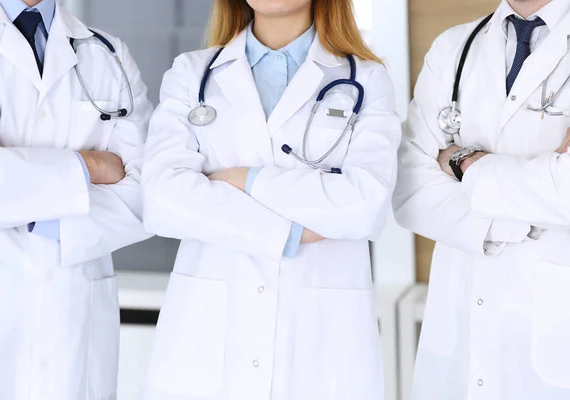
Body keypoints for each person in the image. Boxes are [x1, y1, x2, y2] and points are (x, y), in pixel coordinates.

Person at [140, 0, 401, 398]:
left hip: (322, 334)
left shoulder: (366, 79)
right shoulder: (191, 74)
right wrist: (291, 233)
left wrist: (245, 180)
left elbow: (365, 204)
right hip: (210, 334)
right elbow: (162, 198)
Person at [0, 0, 153, 398]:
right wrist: (89, 165)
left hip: (73, 320)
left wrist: (33, 213)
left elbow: (147, 195)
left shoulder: (108, 53)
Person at [393, 0, 570, 399]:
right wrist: (524, 217)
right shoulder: (454, 47)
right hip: (457, 349)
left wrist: (462, 162)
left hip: (554, 352)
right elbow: (410, 190)